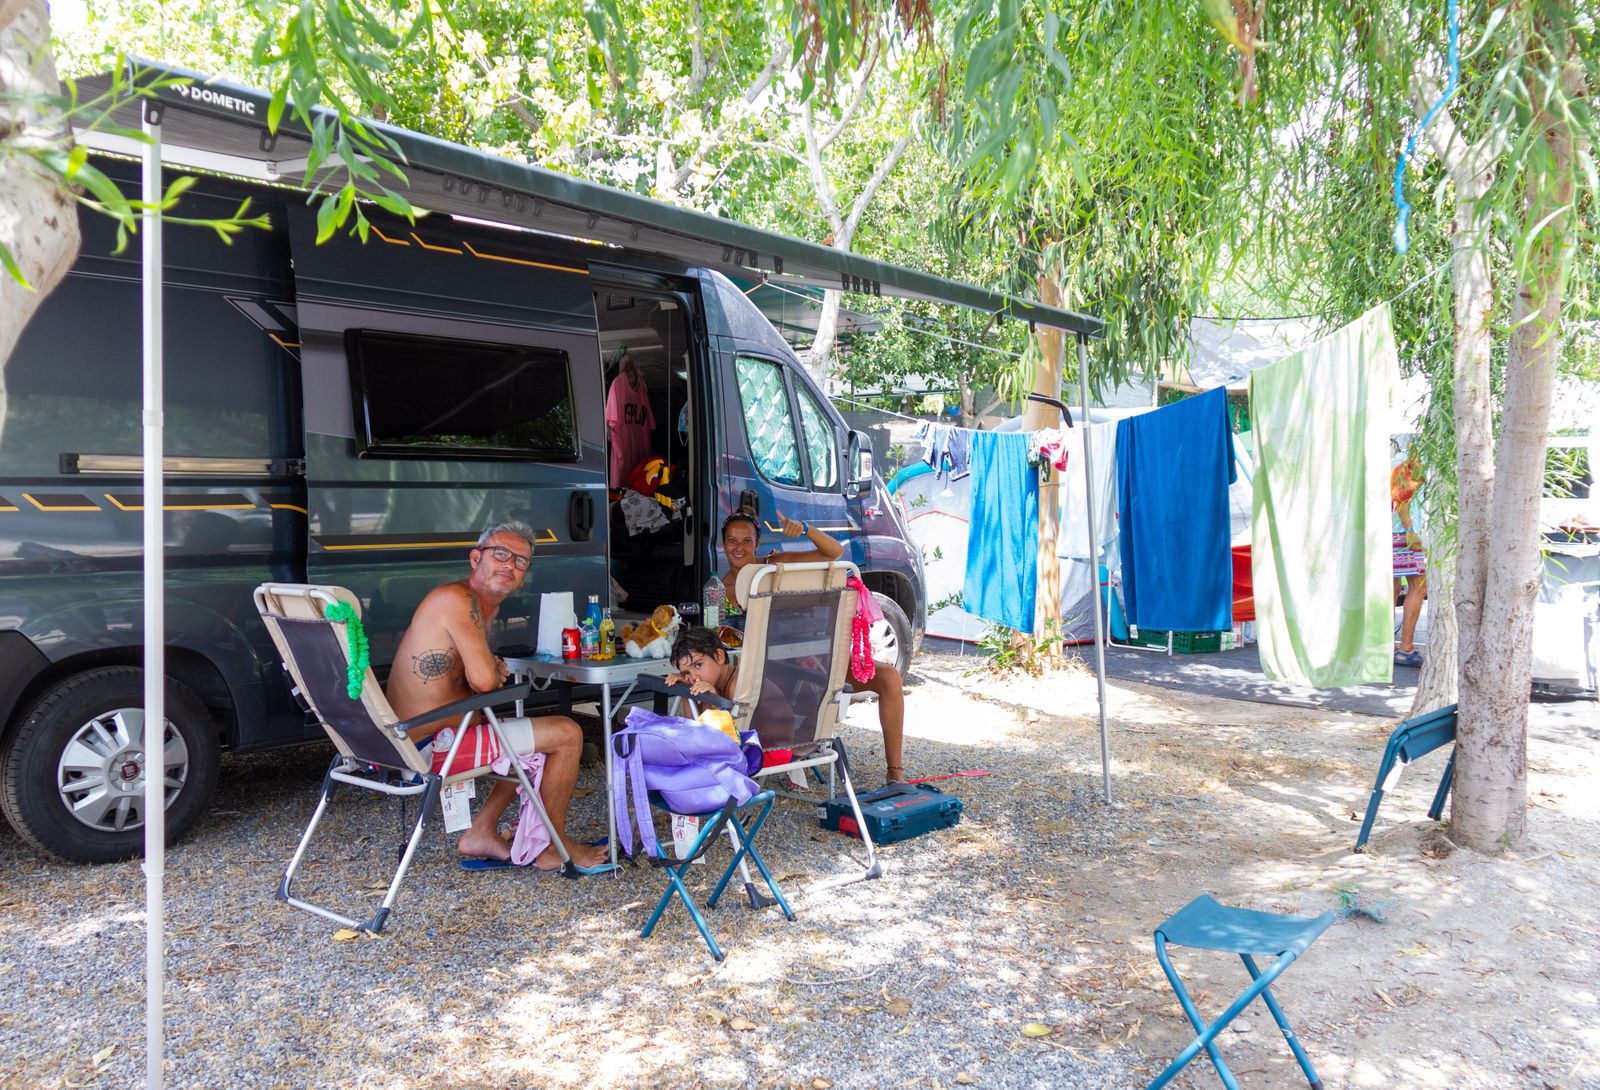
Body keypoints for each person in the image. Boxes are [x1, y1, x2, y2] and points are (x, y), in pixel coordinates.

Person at [386, 521, 607, 869]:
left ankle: (481, 832)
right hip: (428, 747)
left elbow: (472, 676)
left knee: (527, 736)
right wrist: (489, 669)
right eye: (500, 554)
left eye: (521, 562)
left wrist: (486, 669)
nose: (510, 565)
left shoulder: (478, 604)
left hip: (424, 737)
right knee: (567, 733)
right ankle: (554, 847)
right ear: (476, 558)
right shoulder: (457, 599)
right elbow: (485, 682)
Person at [716, 509, 910, 784]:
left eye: (746, 541)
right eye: (732, 541)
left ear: (757, 544)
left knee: (889, 677)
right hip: (762, 672)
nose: (739, 548)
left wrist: (805, 528)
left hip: (808, 659)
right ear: (723, 545)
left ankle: (895, 772)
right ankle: (779, 753)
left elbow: (832, 553)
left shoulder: (774, 567)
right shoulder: (717, 589)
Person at [1391, 452, 1427, 668]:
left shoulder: (1398, 457)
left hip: (1392, 531)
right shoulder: (1413, 461)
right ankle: (1405, 648)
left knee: (1393, 590)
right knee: (1419, 586)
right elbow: (1401, 500)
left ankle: (1388, 646)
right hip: (1403, 534)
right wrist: (1410, 530)